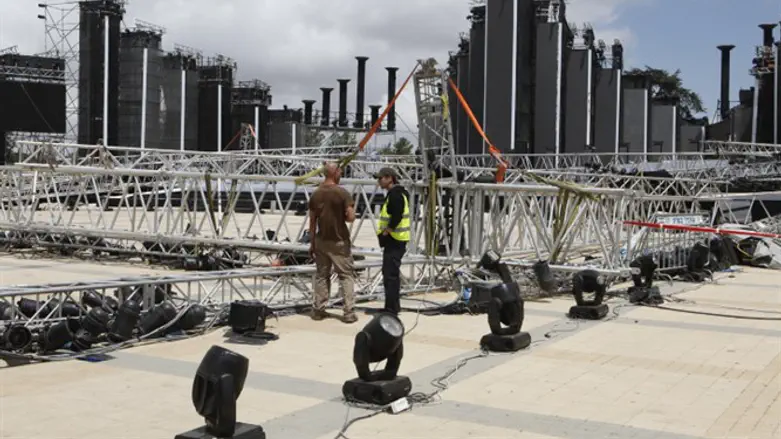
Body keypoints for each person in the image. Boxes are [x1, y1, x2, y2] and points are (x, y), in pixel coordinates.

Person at [308, 162, 358, 323]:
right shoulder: (342, 193)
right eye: (340, 171)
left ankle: (318, 310)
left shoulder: (316, 194)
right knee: (345, 276)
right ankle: (349, 312)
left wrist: (312, 243)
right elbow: (350, 217)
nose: (341, 173)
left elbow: (312, 221)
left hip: (321, 240)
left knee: (322, 275)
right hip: (339, 241)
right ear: (335, 173)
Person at [375, 167, 410, 315]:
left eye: (381, 178)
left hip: (394, 240)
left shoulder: (395, 195)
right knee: (390, 274)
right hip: (396, 240)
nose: (379, 181)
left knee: (390, 275)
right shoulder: (398, 193)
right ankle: (392, 306)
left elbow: (397, 215)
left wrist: (386, 231)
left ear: (390, 178)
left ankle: (391, 309)